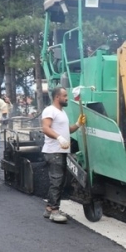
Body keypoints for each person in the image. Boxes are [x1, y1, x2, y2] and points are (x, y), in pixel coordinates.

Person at [41, 86, 85, 223]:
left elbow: (67, 131)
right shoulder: (50, 110)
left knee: (58, 181)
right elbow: (46, 128)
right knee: (57, 181)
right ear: (57, 97)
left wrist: (77, 124)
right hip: (53, 151)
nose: (67, 98)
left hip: (60, 151)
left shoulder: (62, 112)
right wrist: (59, 138)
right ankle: (55, 211)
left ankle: (49, 209)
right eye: (65, 96)